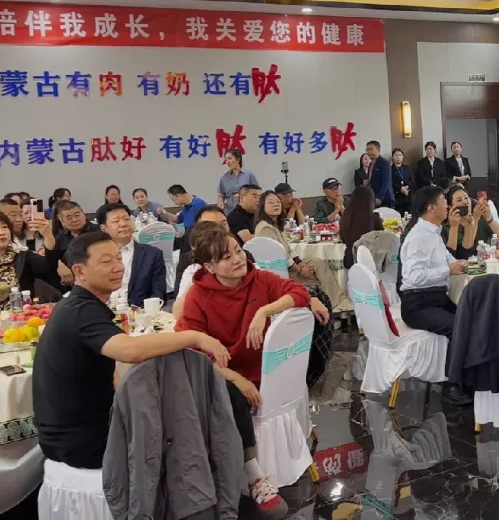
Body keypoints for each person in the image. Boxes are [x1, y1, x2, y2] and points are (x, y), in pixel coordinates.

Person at [32, 232, 230, 472]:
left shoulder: (78, 304)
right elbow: (130, 350)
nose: (118, 267)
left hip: (72, 432)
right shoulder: (80, 310)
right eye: (106, 262)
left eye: (118, 259)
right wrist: (195, 337)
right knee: (184, 428)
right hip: (81, 441)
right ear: (80, 271)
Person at [174, 224, 327, 511]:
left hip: (268, 374)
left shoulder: (259, 278)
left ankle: (251, 474)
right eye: (226, 257)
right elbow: (192, 349)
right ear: (209, 267)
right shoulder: (197, 296)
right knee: (227, 393)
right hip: (226, 374)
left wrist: (264, 310)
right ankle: (251, 472)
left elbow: (299, 292)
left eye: (238, 251)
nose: (237, 259)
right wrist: (235, 377)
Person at [398, 185, 471, 405]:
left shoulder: (434, 233)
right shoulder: (418, 237)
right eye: (443, 202)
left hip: (436, 298)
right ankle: (450, 383)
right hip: (417, 303)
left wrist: (459, 264)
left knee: (473, 317)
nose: (447, 206)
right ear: (431, 208)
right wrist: (448, 270)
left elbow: (448, 259)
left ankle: (470, 375)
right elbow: (414, 277)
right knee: (458, 326)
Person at [254, 191, 348, 312]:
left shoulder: (275, 225)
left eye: (278, 202)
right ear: (263, 207)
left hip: (288, 265)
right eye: (271, 202)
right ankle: (337, 303)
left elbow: (289, 250)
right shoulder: (265, 228)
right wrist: (299, 269)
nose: (276, 204)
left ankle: (335, 302)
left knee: (318, 264)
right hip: (279, 272)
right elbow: (280, 257)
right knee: (318, 276)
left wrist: (301, 264)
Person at [97, 203, 166, 307]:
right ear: (104, 228)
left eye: (126, 219)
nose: (123, 224)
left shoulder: (152, 254)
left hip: (139, 312)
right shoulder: (96, 255)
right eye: (116, 221)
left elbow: (159, 293)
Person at [176, 205, 231, 297]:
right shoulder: (188, 261)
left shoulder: (242, 256)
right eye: (211, 225)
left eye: (223, 224)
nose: (219, 230)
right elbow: (179, 299)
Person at [443, 185, 499, 259]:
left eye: (466, 198)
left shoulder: (480, 217)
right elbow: (466, 250)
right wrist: (475, 219)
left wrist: (489, 219)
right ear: (450, 207)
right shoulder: (449, 227)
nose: (465, 202)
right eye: (459, 200)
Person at [340, 186, 385, 270]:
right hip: (369, 259)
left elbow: (342, 239)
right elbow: (382, 239)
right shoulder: (373, 218)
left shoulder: (345, 216)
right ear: (371, 201)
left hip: (349, 258)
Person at [217, 148, 259, 214]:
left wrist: (243, 195)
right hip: (230, 212)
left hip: (248, 212)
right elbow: (221, 195)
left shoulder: (249, 175)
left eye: (230, 159)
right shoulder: (224, 178)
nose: (227, 162)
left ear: (238, 159)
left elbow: (257, 193)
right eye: (226, 159)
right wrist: (220, 203)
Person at [366, 141, 395, 208]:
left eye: (371, 149)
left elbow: (386, 182)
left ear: (378, 149)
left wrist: (380, 197)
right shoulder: (371, 164)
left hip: (385, 198)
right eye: (367, 149)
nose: (368, 152)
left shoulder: (384, 163)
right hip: (374, 197)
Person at [391, 148, 414, 214]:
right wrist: (400, 188)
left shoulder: (407, 168)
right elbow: (390, 182)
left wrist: (407, 187)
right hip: (396, 198)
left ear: (403, 157)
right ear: (393, 157)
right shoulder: (390, 169)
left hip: (408, 197)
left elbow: (412, 180)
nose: (398, 157)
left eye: (400, 155)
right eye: (396, 155)